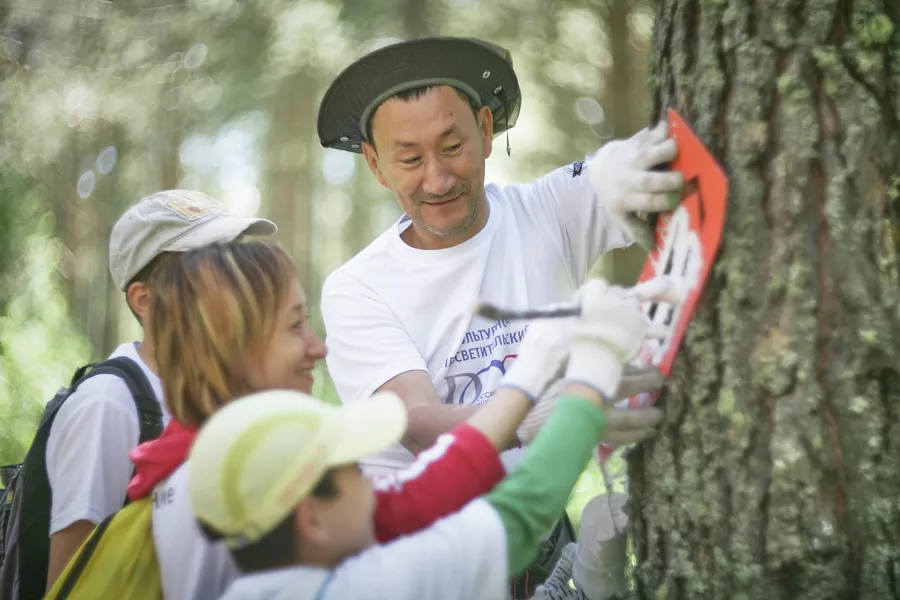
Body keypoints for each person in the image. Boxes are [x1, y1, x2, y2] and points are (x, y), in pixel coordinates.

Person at [316, 35, 683, 596]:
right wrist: (558, 413)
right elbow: (414, 424)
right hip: (421, 560)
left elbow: (618, 175)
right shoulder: (358, 288)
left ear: (486, 131)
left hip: (538, 523)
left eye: (452, 145)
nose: (437, 179)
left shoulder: (542, 214)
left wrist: (619, 168)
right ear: (375, 164)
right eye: (410, 158)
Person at [123, 241, 665, 600]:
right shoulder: (222, 488)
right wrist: (587, 380)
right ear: (232, 346)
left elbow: (414, 497)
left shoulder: (241, 465)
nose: (319, 346)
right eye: (294, 326)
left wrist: (527, 390)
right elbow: (509, 520)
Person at [41, 190, 275, 590]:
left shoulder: (216, 395)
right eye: (211, 268)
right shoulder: (108, 404)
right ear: (146, 300)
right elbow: (71, 580)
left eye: (236, 262)